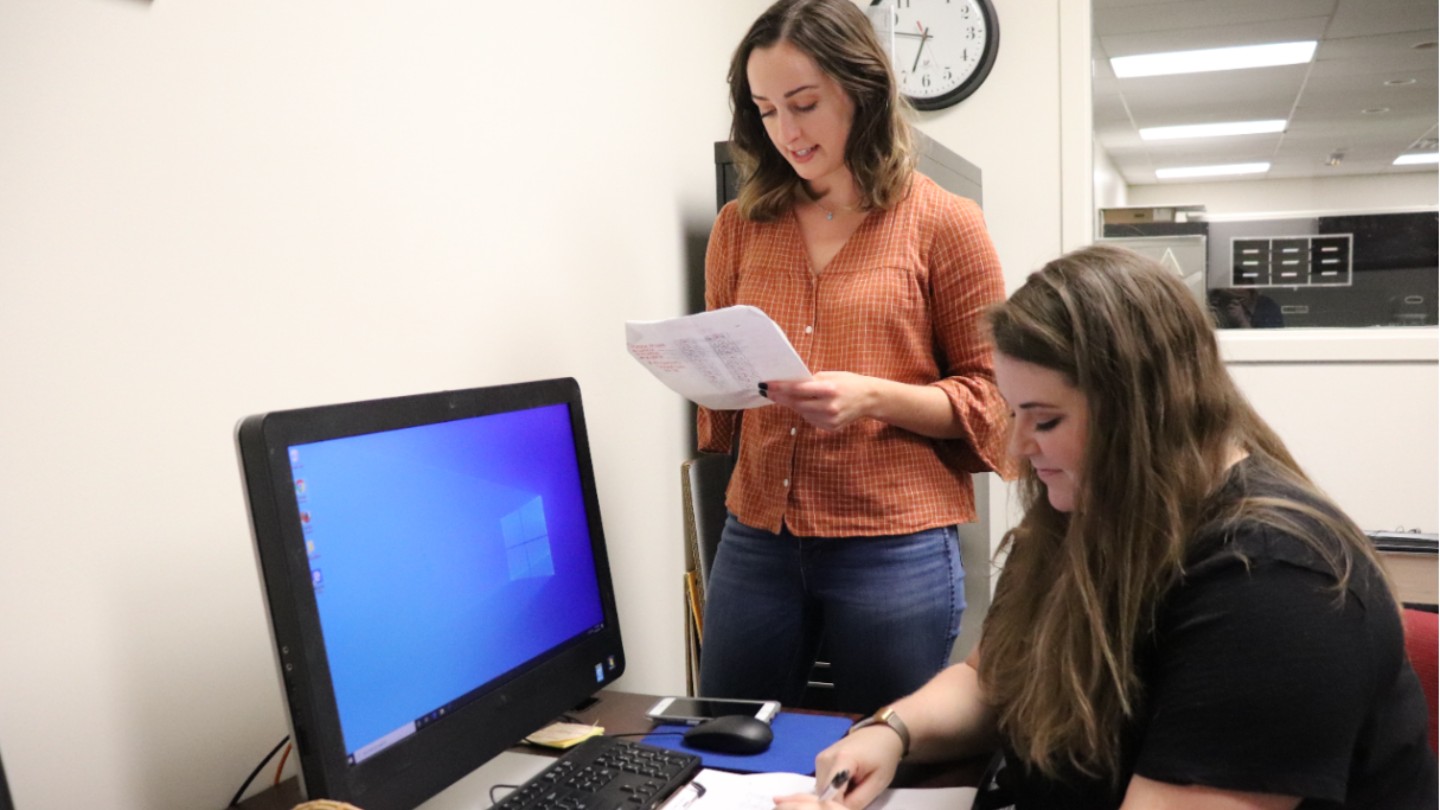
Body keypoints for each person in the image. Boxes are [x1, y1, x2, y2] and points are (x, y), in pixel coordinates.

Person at [777, 245, 1438, 809]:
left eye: (1047, 419)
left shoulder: (1275, 586)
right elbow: (996, 677)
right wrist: (891, 731)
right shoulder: (1094, 508)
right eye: (1014, 414)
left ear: (1144, 413)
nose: (1016, 450)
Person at [696, 0, 1010, 716]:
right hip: (758, 535)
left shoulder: (944, 223)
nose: (788, 131)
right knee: (727, 739)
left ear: (861, 89)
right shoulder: (739, 226)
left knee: (885, 750)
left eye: (804, 104)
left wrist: (874, 397)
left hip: (892, 545)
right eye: (767, 109)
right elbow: (724, 383)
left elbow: (995, 398)